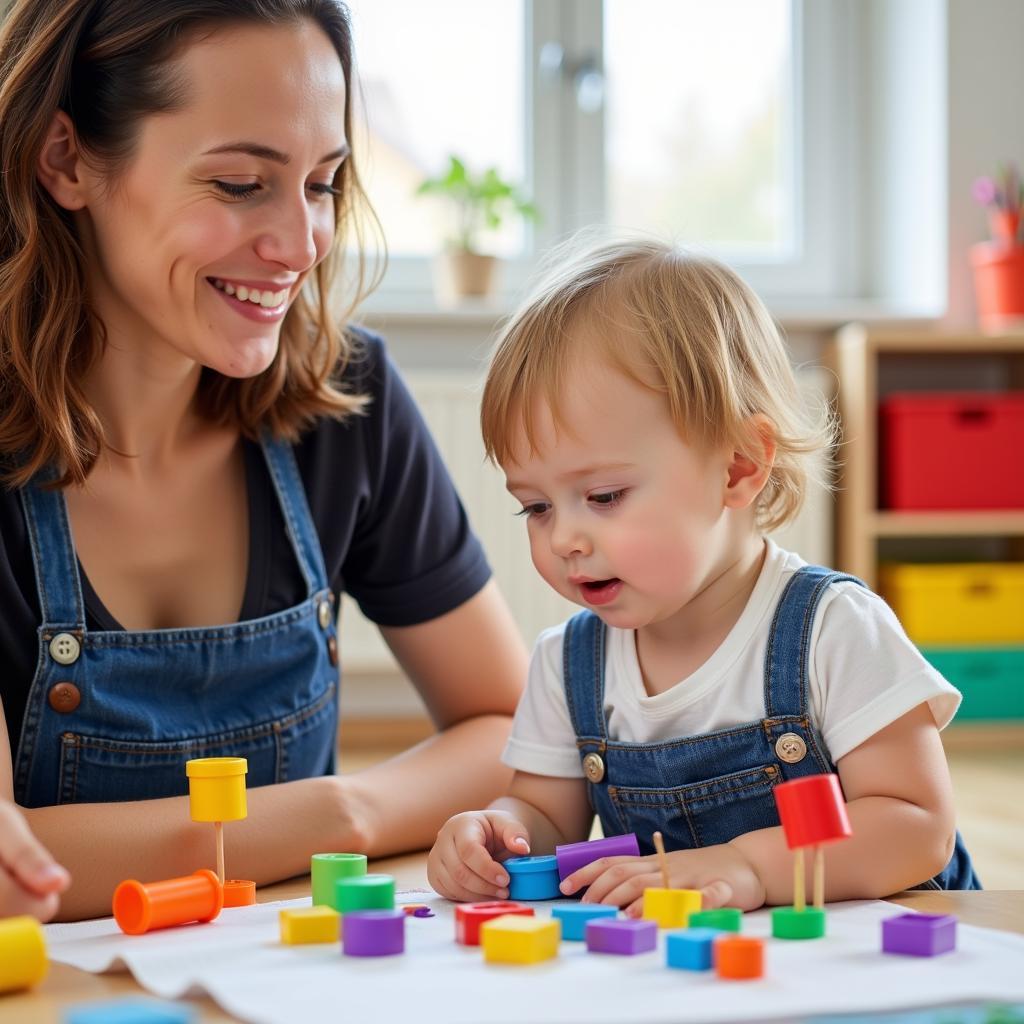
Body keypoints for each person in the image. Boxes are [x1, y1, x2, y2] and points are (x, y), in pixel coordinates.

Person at [0, 0, 528, 921]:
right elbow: (12, 866)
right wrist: (331, 814)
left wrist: (351, 810)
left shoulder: (347, 399)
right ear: (67, 158)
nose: (301, 244)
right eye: (243, 184)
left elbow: (516, 731)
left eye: (323, 183)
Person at [427, 238, 979, 912]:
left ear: (738, 468)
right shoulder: (568, 665)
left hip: (877, 957)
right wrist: (500, 831)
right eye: (536, 507)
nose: (564, 538)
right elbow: (548, 818)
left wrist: (748, 866)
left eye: (602, 497)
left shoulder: (831, 631)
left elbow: (916, 826)